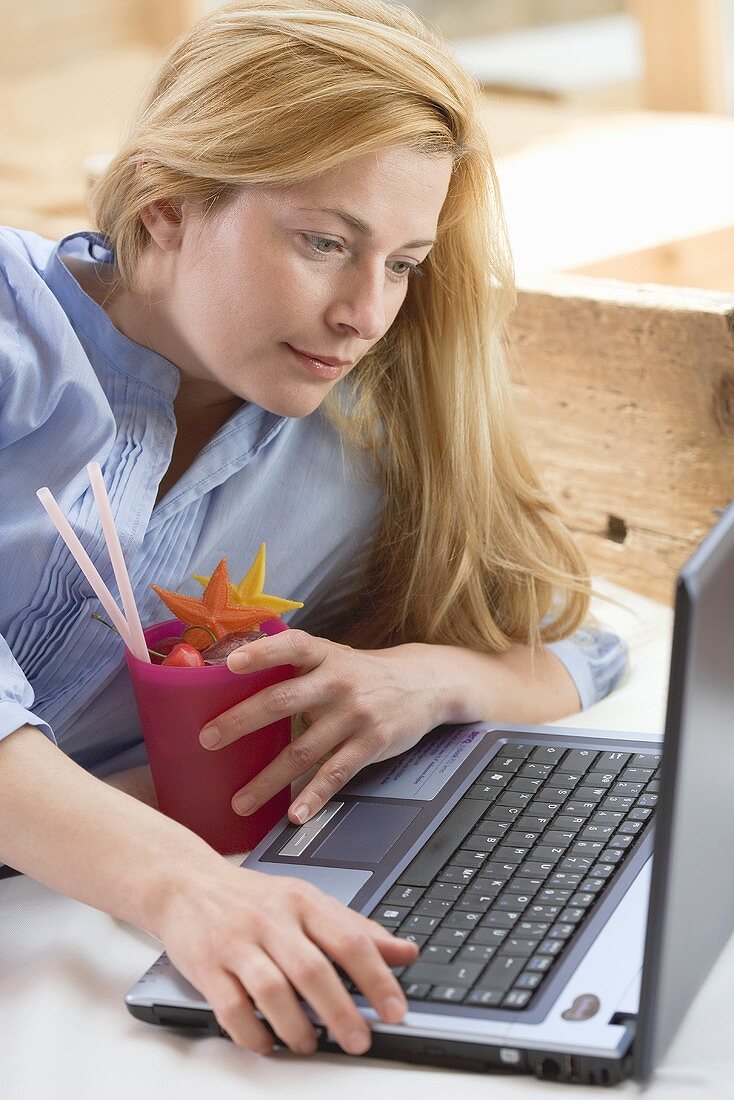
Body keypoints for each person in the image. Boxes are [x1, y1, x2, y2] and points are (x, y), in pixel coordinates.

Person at [0, 0, 629, 1061]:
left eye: (401, 262)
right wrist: (186, 887)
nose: (364, 313)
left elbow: (581, 643)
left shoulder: (352, 460)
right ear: (165, 205)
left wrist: (432, 678)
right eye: (325, 242)